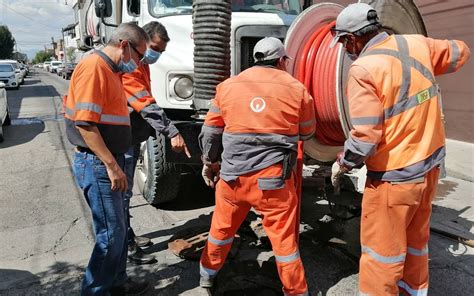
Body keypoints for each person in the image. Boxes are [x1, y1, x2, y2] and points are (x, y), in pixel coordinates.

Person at [330, 3, 470, 295]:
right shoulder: (416, 43)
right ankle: (413, 291)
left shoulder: (363, 69)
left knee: (382, 254)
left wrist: (343, 164)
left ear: (355, 38)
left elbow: (365, 138)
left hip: (394, 180)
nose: (344, 48)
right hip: (429, 169)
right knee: (416, 242)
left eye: (344, 41)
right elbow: (461, 51)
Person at [198, 37, 316, 296]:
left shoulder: (228, 86)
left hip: (232, 180)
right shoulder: (296, 89)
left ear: (256, 58)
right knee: (284, 244)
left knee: (220, 230)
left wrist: (210, 162)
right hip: (273, 184)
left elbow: (210, 132)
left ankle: (207, 278)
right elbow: (307, 132)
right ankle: (296, 292)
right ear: (282, 61)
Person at [64, 23, 150, 295]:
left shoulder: (111, 71)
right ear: (125, 46)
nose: (139, 63)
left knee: (120, 232)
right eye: (140, 56)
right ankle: (96, 290)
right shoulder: (94, 68)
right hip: (99, 164)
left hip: (111, 160)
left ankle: (116, 283)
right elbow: (85, 125)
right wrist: (112, 166)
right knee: (110, 236)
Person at [121, 21, 190, 264]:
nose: (156, 55)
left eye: (160, 52)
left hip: (129, 136)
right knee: (122, 196)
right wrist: (171, 132)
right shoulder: (129, 65)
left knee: (125, 195)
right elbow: (145, 104)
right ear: (141, 41)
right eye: (155, 49)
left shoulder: (140, 63)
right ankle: (126, 247)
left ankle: (127, 235)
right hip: (119, 140)